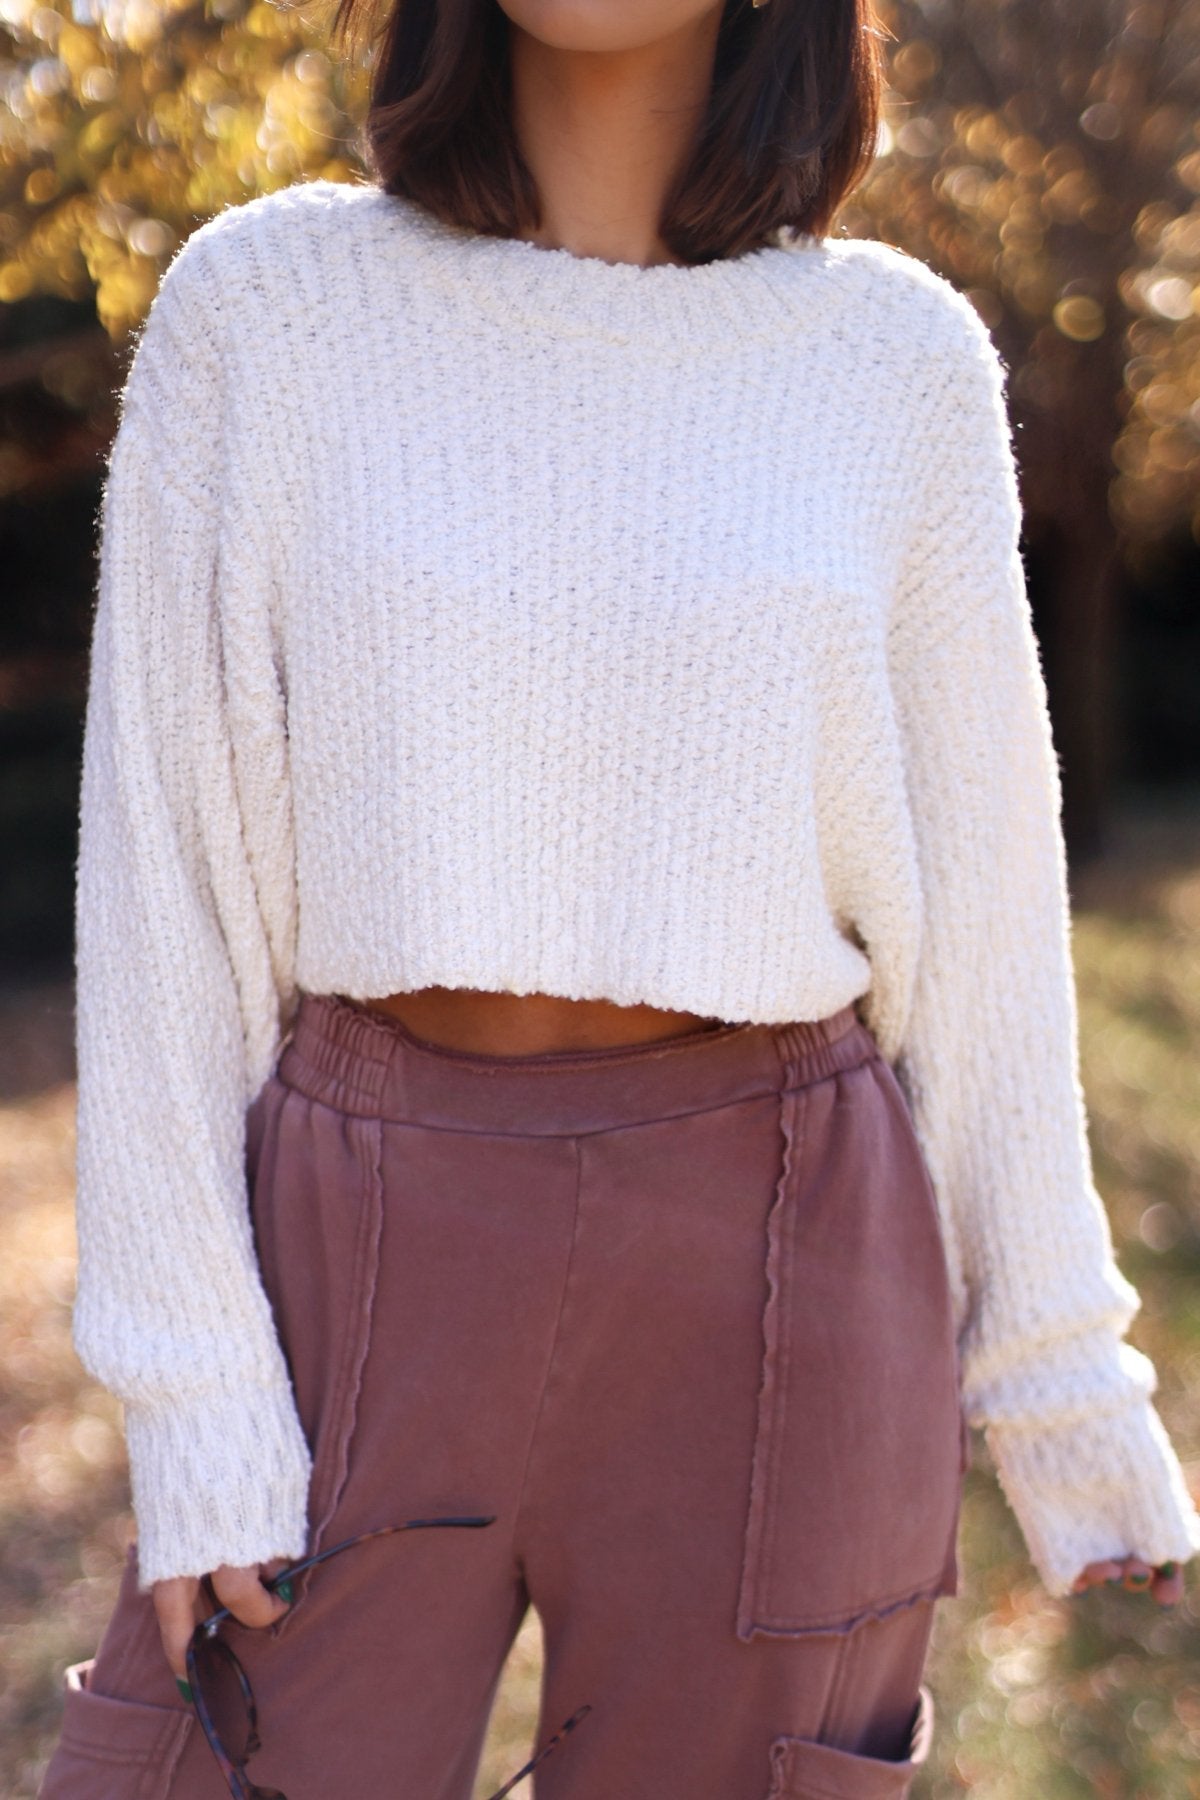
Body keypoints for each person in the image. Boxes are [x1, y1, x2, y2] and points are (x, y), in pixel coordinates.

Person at [39, 0, 1200, 1795]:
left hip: (783, 1255)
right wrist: (193, 1392)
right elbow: (162, 879)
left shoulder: (893, 361)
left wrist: (1061, 1384)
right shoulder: (263, 313)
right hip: (360, 1231)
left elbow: (983, 905)